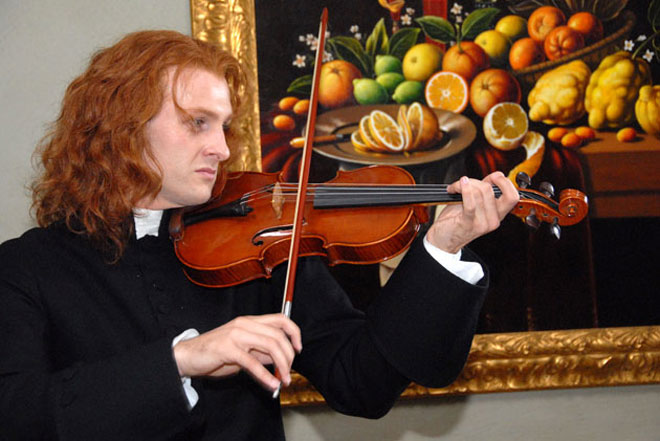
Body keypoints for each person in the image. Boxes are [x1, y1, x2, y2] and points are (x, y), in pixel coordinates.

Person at [0, 30, 519, 440]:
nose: (223, 149)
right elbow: (18, 415)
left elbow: (363, 382)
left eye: (224, 126)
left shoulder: (259, 243)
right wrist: (182, 361)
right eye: (198, 123)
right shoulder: (27, 268)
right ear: (122, 128)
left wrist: (441, 247)